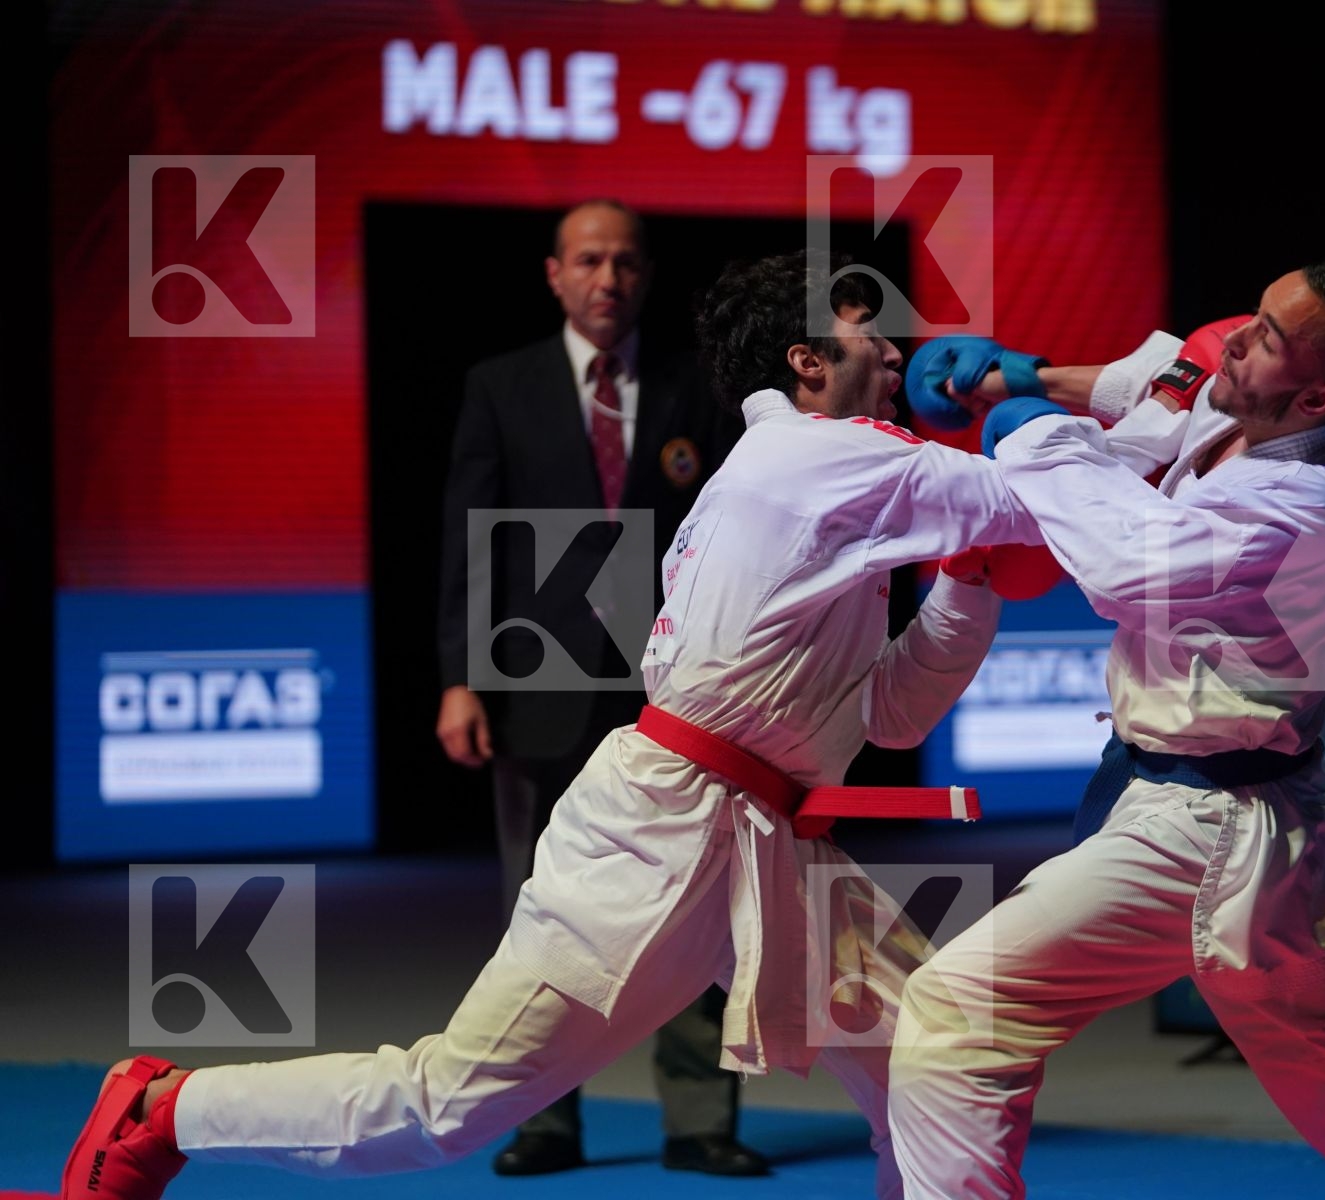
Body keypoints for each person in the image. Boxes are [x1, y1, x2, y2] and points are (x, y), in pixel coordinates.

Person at [56, 251, 1043, 1200]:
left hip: (775, 836)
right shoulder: (816, 456)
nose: (901, 359)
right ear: (807, 360)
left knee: (942, 1062)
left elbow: (895, 710)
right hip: (658, 832)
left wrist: (967, 581)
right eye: (873, 337)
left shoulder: (832, 474)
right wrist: (1107, 398)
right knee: (443, 1105)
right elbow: (1033, 502)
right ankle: (161, 1107)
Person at [888, 265, 1325, 1199]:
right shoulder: (1254, 408)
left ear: (1320, 395)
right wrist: (1024, 375)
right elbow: (1169, 382)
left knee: (958, 1008)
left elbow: (1130, 566)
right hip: (1269, 821)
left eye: (1269, 337)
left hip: (1207, 831)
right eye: (1254, 316)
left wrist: (1037, 437)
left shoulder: (1307, 506)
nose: (1239, 341)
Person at [434, 198, 761, 1177]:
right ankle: (541, 1118)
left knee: (697, 898)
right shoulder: (501, 386)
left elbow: (736, 536)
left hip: (673, 684)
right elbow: (465, 538)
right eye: (589, 260)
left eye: (624, 262)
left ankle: (701, 1121)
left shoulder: (694, 385)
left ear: (646, 275)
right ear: (554, 274)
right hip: (537, 678)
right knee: (542, 909)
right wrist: (459, 680)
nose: (608, 278)